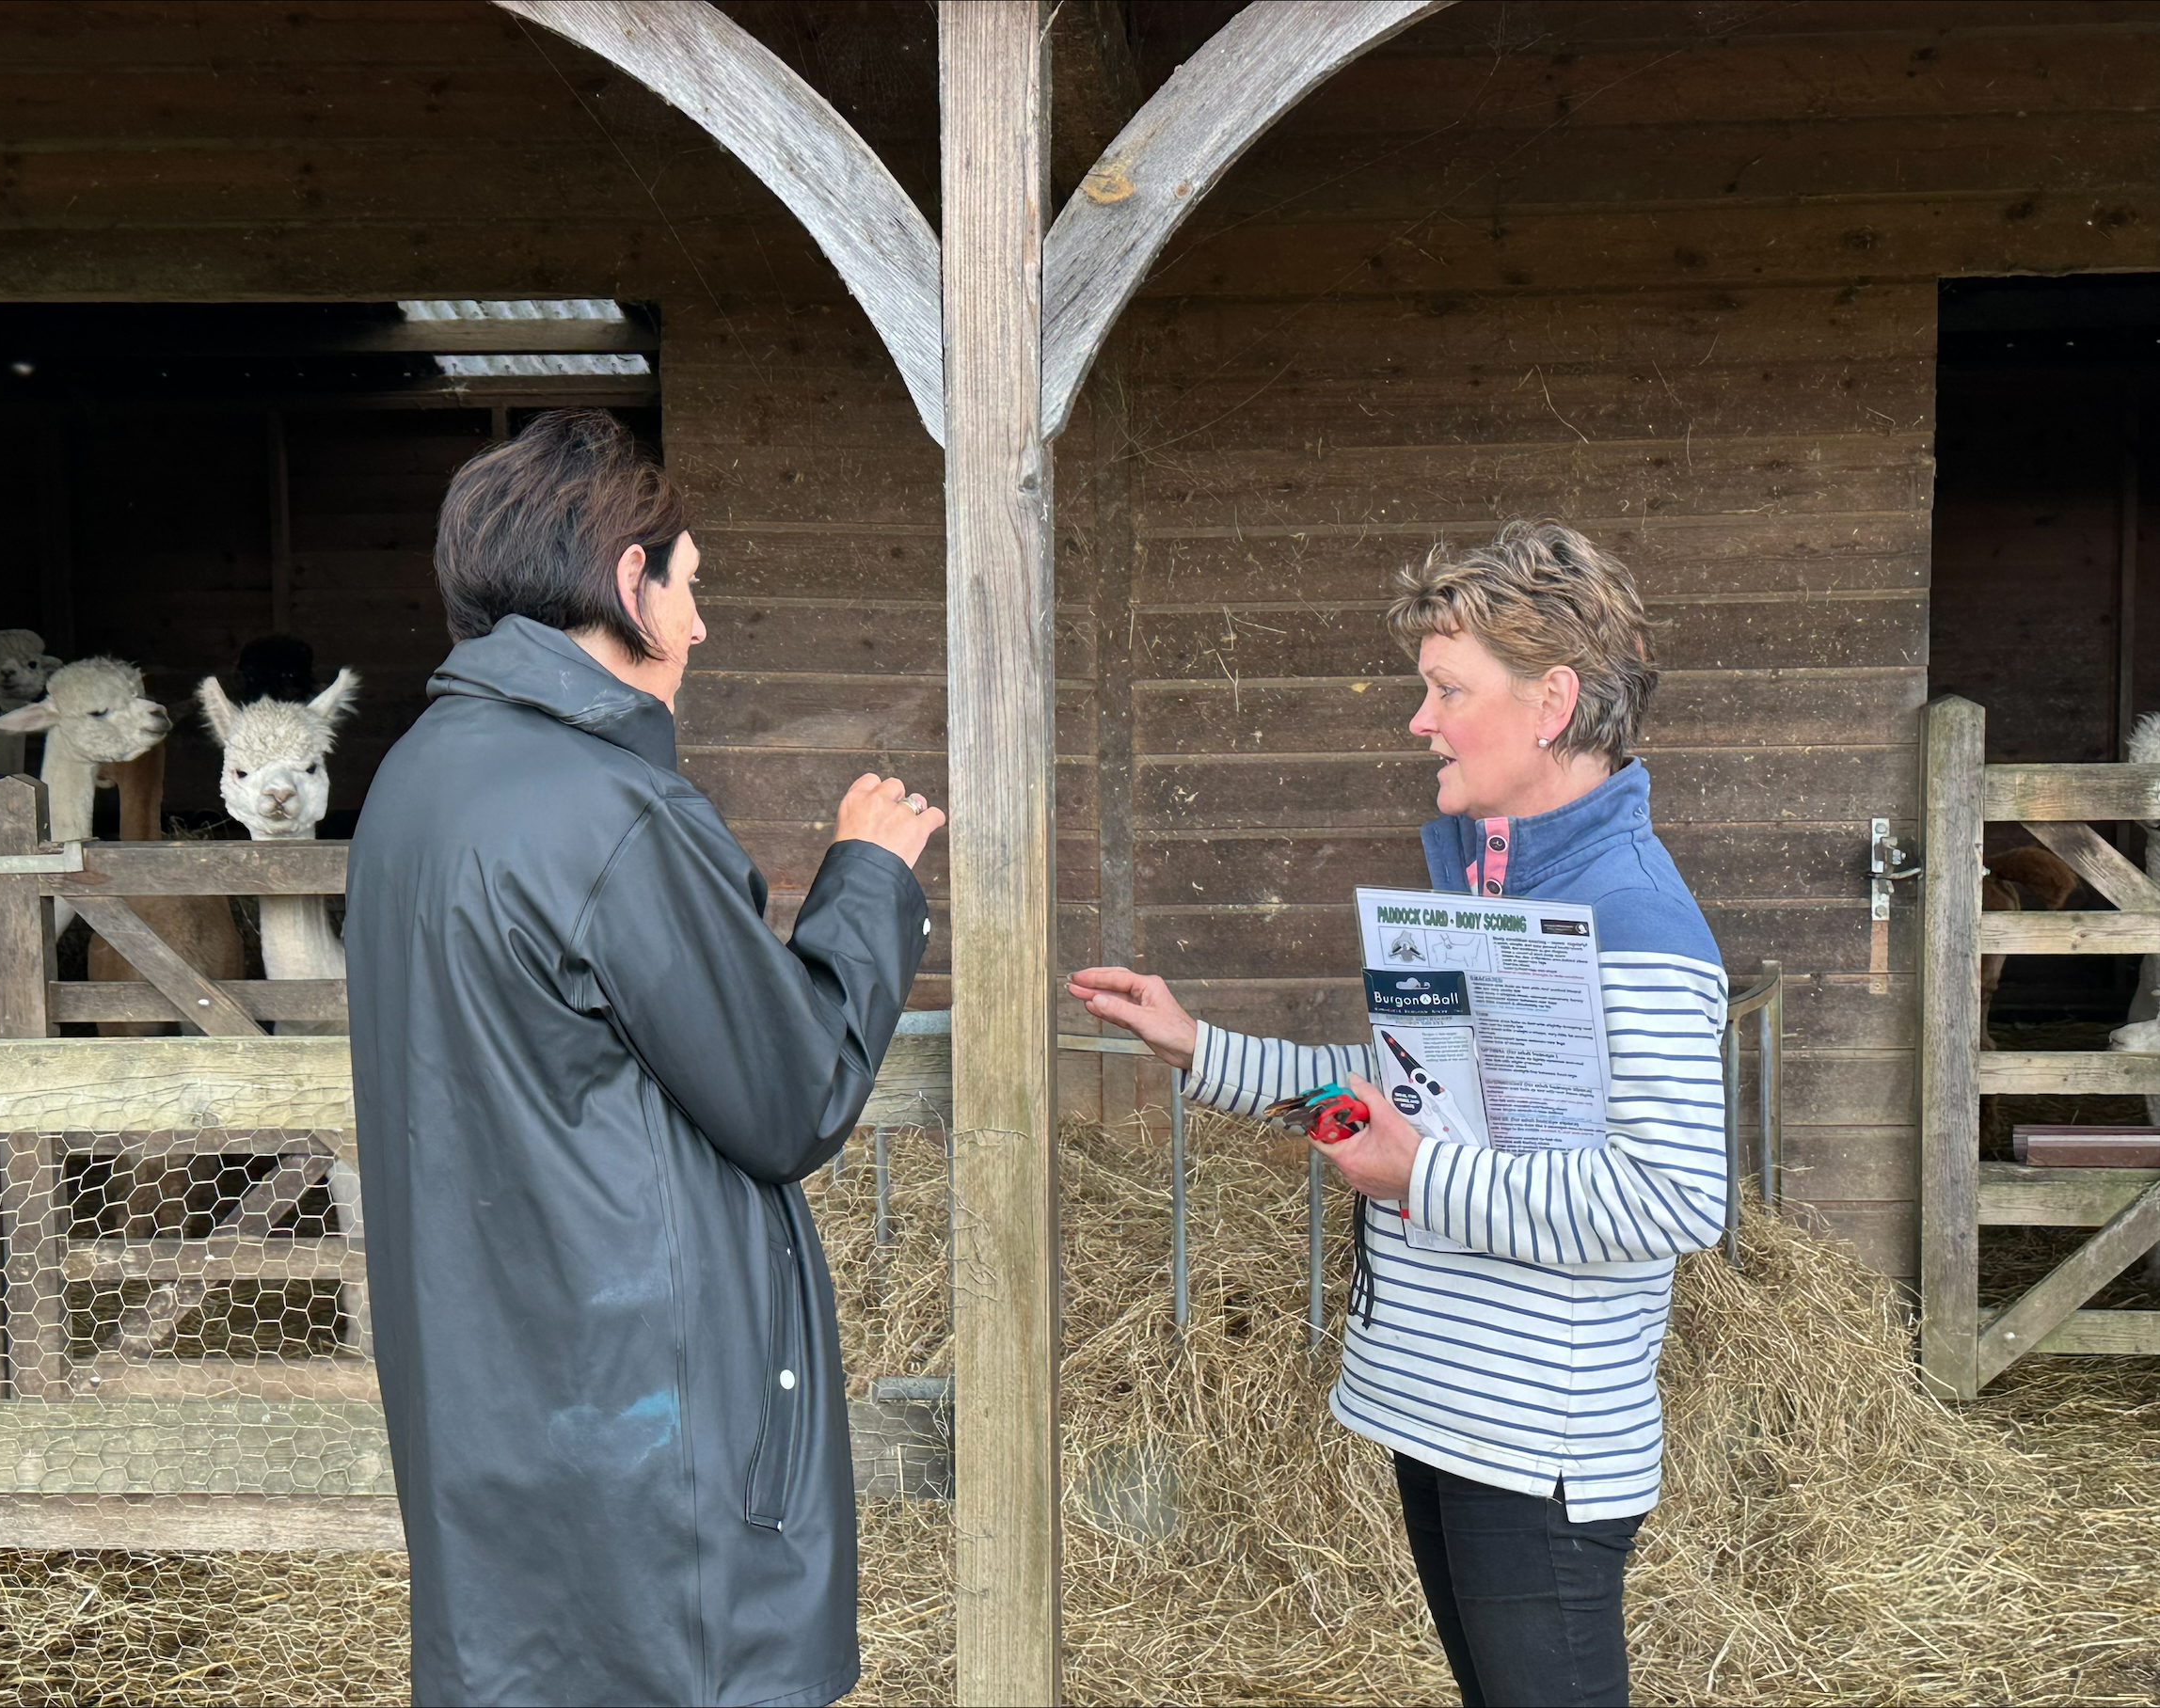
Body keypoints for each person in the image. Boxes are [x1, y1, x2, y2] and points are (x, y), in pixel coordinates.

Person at [345, 409, 945, 1707]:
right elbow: (791, 1094)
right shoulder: (609, 812)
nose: (700, 627)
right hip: (648, 1435)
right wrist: (868, 879)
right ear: (629, 581)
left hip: (498, 1401)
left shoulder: (416, 781)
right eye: (689, 587)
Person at [1071, 521, 1724, 1708]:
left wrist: (1419, 1175)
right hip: (1446, 1412)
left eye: (1445, 690)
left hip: (1535, 1441)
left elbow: (1672, 1196)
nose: (1419, 720)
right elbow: (1398, 1102)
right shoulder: (1496, 882)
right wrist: (1201, 1051)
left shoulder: (1631, 918)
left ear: (1551, 702)